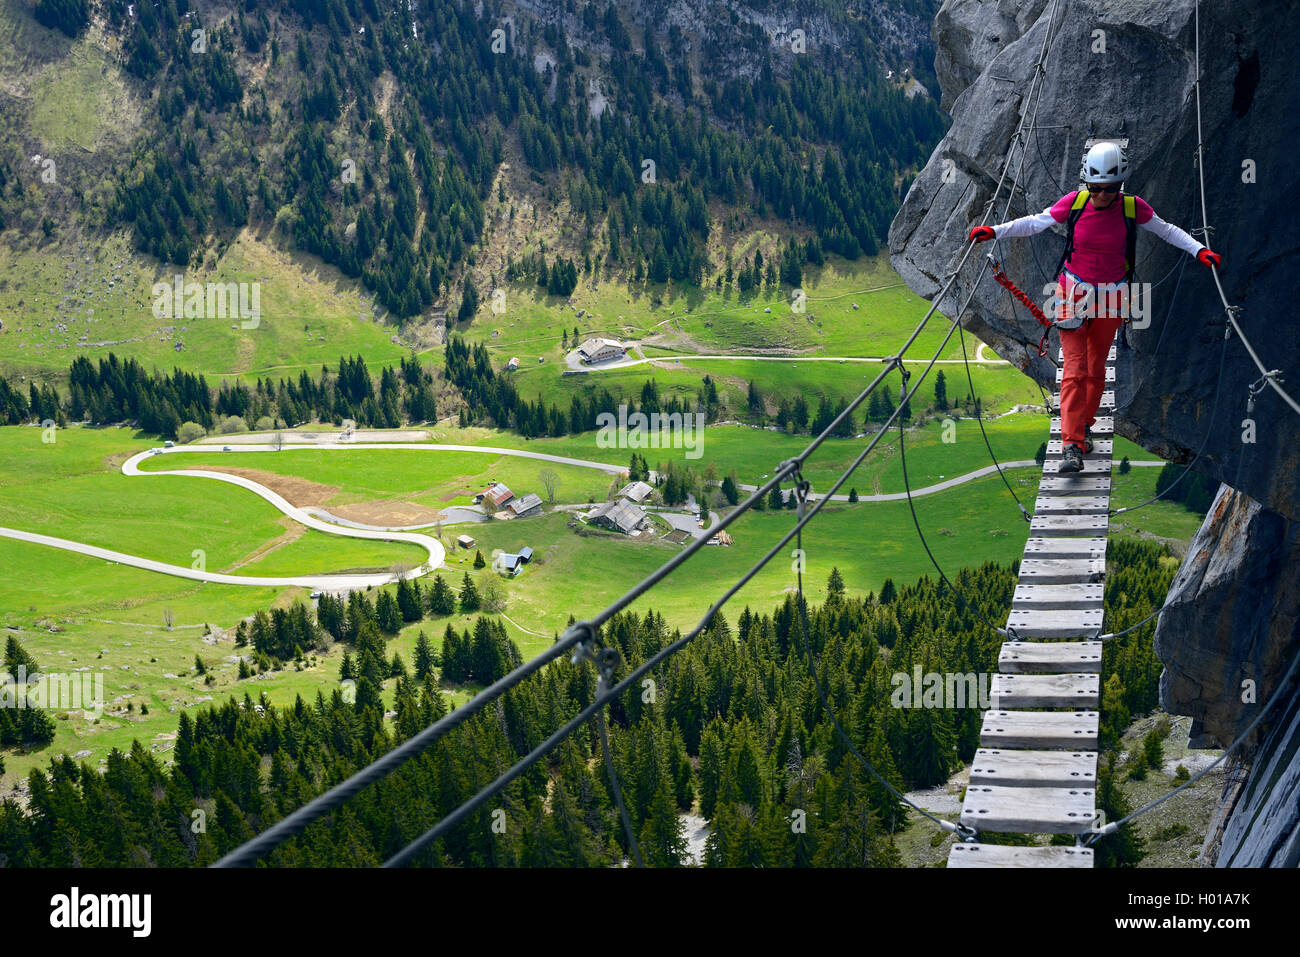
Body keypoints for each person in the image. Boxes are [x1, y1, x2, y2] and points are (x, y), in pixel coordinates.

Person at [968, 142, 1221, 472]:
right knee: (1074, 369)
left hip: (1112, 299)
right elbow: (1035, 222)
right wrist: (995, 232)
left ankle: (1084, 425)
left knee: (1096, 368)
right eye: (1096, 188)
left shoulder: (1132, 208)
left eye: (1110, 189)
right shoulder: (1075, 203)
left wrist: (1199, 251)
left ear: (1121, 185)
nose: (1102, 195)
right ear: (1086, 183)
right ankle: (1071, 445)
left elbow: (1167, 230)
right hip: (1072, 295)